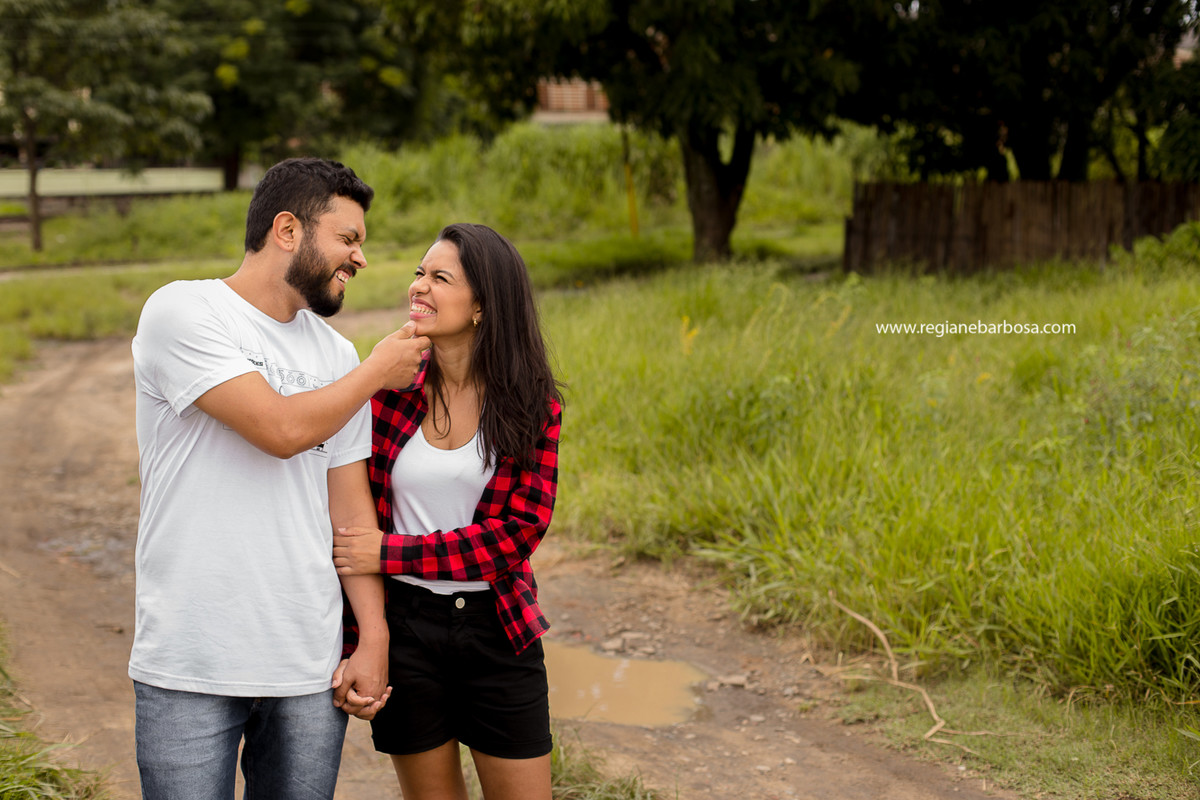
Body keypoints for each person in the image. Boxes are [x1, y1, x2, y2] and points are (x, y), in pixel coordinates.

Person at [129, 157, 430, 800]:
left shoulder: (336, 354)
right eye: (347, 239)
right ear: (288, 231)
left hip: (306, 664)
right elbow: (279, 430)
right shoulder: (184, 311)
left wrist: (372, 636)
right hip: (190, 659)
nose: (360, 258)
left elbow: (350, 509)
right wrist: (377, 372)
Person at [332, 223, 563, 800]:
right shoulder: (387, 392)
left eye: (440, 278)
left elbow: (514, 536)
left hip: (497, 628)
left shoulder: (532, 402)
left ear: (482, 303)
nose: (419, 287)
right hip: (405, 627)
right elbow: (352, 509)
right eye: (418, 273)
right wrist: (363, 638)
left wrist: (392, 551)